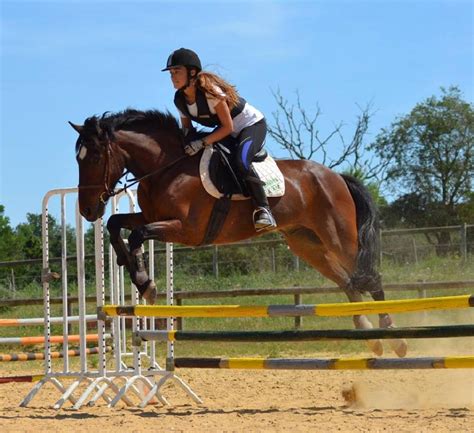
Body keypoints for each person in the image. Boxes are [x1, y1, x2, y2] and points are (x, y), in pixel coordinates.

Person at [162, 47, 277, 232]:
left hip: (250, 126)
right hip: (226, 131)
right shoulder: (180, 100)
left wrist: (201, 142)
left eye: (177, 71)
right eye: (171, 73)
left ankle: (264, 209)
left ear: (192, 72)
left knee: (241, 161)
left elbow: (228, 127)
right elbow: (187, 130)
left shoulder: (210, 91)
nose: (172, 77)